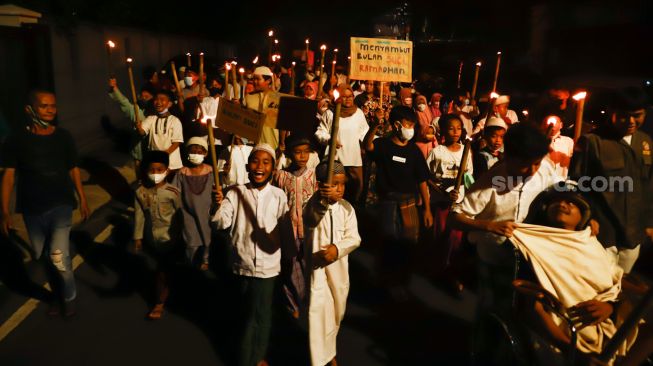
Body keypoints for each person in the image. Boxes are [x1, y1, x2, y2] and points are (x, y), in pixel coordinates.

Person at [512, 187, 653, 365]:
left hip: (606, 314)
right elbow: (532, 308)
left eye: (571, 202)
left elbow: (613, 280)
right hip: (568, 322)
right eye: (556, 202)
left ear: (584, 216)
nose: (562, 204)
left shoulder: (590, 242)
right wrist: (574, 353)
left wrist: (610, 306)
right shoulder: (533, 243)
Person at [450, 124, 560, 314]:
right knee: (491, 308)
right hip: (494, 259)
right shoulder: (489, 183)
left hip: (529, 259)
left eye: (537, 163)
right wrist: (489, 225)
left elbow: (561, 192)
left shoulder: (546, 170)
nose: (533, 171)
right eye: (526, 164)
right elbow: (455, 218)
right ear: (508, 157)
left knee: (521, 310)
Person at [1, 89, 89, 317]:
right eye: (44, 106)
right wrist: (5, 212)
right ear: (29, 110)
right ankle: (56, 296)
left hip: (60, 204)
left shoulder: (63, 137)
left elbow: (73, 169)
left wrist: (82, 198)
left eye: (53, 106)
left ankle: (69, 297)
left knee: (58, 255)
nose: (50, 110)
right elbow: (9, 176)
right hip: (31, 208)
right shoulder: (16, 140)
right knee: (42, 256)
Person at [212, 143, 294, 366]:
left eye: (266, 162)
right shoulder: (235, 193)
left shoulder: (278, 196)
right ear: (248, 166)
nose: (260, 167)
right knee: (247, 314)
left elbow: (285, 229)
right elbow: (221, 223)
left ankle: (254, 356)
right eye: (255, 162)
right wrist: (216, 205)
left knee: (261, 314)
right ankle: (249, 355)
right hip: (242, 262)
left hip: (268, 267)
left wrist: (289, 258)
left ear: (273, 168)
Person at [570, 87, 653, 274]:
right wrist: (587, 216)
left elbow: (649, 186)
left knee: (622, 287)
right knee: (599, 285)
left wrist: (649, 222)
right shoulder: (592, 142)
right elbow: (576, 184)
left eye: (637, 115)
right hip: (603, 233)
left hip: (634, 233)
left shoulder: (645, 142)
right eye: (624, 116)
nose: (631, 121)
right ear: (611, 112)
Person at [363, 105, 433, 298]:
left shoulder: (414, 151)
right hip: (387, 203)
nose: (411, 129)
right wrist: (375, 125)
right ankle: (385, 280)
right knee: (388, 242)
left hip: (409, 204)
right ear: (396, 125)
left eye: (412, 125)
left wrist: (427, 209)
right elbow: (368, 146)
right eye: (408, 124)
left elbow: (422, 181)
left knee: (408, 244)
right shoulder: (384, 145)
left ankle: (402, 280)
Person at [304, 160, 361, 366]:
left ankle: (328, 352)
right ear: (321, 185)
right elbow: (310, 220)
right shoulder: (313, 205)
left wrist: (337, 250)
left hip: (339, 271)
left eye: (342, 184)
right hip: (317, 270)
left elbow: (354, 238)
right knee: (319, 312)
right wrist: (321, 200)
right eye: (334, 184)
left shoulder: (347, 209)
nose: (340, 189)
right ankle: (319, 360)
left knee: (337, 312)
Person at [426, 114, 473, 292]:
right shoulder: (437, 152)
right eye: (451, 128)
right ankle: (437, 270)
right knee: (441, 237)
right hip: (441, 203)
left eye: (459, 128)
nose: (455, 132)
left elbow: (468, 177)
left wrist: (464, 194)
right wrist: (443, 193)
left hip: (458, 203)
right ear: (443, 131)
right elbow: (426, 177)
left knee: (456, 240)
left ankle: (452, 273)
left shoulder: (466, 151)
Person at [273, 135, 319, 318]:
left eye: (306, 152)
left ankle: (309, 301)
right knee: (289, 266)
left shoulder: (314, 176)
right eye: (298, 152)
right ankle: (292, 303)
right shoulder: (282, 176)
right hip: (288, 229)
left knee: (308, 265)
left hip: (308, 229)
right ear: (290, 154)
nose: (302, 156)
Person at [133, 150, 182, 319]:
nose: (156, 174)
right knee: (162, 270)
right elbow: (139, 215)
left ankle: (159, 303)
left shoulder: (173, 192)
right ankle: (166, 292)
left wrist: (184, 237)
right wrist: (138, 237)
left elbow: (181, 214)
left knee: (162, 271)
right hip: (151, 239)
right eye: (152, 170)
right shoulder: (140, 192)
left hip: (171, 239)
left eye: (160, 170)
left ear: (167, 171)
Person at [315, 85, 369, 203]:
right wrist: (330, 140)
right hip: (336, 159)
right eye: (344, 97)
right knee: (335, 191)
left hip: (354, 160)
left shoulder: (358, 113)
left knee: (355, 190)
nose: (348, 99)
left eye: (350, 96)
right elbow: (320, 132)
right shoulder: (330, 113)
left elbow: (365, 133)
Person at [172, 137, 215, 269]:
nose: (196, 154)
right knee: (191, 239)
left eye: (199, 152)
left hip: (206, 212)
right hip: (187, 213)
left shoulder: (211, 171)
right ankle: (190, 262)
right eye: (192, 151)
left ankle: (205, 260)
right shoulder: (182, 173)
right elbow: (174, 192)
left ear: (206, 153)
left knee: (207, 238)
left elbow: (218, 187)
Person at [136, 89, 185, 171]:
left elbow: (177, 142)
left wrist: (164, 155)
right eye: (156, 99)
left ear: (169, 104)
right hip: (155, 164)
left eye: (162, 100)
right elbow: (142, 132)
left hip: (172, 164)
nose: (158, 102)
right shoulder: (151, 118)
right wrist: (139, 128)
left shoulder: (175, 121)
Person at [244, 66, 281, 150]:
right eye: (253, 79)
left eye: (258, 79)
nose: (254, 82)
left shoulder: (277, 98)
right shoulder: (249, 97)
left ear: (268, 80)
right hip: (253, 144)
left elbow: (283, 124)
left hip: (273, 143)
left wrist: (282, 144)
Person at [415, 94, 438, 158]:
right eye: (419, 103)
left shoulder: (428, 111)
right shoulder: (416, 114)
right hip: (421, 138)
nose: (421, 105)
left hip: (431, 135)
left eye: (423, 103)